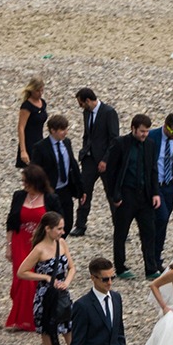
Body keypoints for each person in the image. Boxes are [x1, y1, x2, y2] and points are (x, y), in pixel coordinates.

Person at [16, 211, 77, 345]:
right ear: (48, 229)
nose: (62, 231)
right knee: (49, 344)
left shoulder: (62, 243)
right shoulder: (39, 249)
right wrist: (44, 277)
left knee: (71, 339)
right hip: (45, 298)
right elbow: (22, 272)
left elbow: (72, 267)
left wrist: (66, 281)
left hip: (62, 296)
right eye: (59, 228)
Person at [104, 113, 161, 280]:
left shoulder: (150, 144)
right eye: (142, 131)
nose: (145, 134)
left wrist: (155, 193)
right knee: (121, 232)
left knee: (149, 232)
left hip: (145, 196)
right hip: (126, 195)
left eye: (147, 131)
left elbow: (153, 170)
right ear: (133, 129)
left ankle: (150, 268)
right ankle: (120, 267)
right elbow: (111, 172)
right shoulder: (120, 143)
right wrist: (114, 195)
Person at [6, 165, 56, 328]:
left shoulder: (50, 198)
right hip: (20, 241)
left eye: (26, 182)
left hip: (40, 242)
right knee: (21, 278)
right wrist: (8, 246)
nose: (24, 185)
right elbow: (11, 222)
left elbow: (59, 221)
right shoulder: (19, 196)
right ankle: (21, 318)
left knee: (35, 278)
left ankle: (34, 317)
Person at [73, 87, 119, 236]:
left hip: (106, 161)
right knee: (84, 191)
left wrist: (106, 160)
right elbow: (87, 134)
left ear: (88, 100)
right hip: (89, 159)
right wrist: (84, 150)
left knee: (111, 194)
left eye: (81, 103)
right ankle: (80, 224)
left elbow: (114, 139)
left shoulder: (109, 112)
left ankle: (119, 227)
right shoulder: (86, 113)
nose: (81, 107)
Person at [146, 112, 173, 267]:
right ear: (165, 126)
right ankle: (151, 256)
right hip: (154, 185)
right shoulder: (152, 136)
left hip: (169, 185)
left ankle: (156, 257)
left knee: (163, 222)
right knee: (160, 218)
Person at [31, 115, 83, 234]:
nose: (65, 132)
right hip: (49, 191)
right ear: (53, 130)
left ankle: (58, 245)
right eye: (62, 130)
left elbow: (73, 165)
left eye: (66, 129)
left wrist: (81, 189)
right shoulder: (40, 147)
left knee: (68, 223)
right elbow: (34, 171)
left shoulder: (67, 143)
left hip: (65, 189)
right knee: (52, 223)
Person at [15, 78, 47, 168]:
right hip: (29, 141)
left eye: (42, 90)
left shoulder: (43, 103)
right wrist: (23, 150)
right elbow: (21, 127)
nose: (40, 93)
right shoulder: (27, 106)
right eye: (37, 91)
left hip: (40, 139)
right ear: (32, 90)